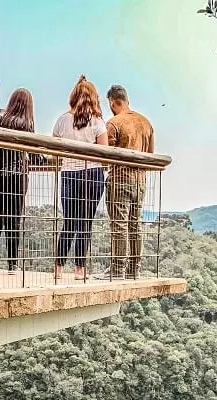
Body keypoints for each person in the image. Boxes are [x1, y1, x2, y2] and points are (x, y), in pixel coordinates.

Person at [52, 75, 107, 281]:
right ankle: (80, 269)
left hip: (68, 174)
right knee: (85, 223)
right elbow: (104, 151)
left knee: (69, 222)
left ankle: (58, 267)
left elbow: (54, 148)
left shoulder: (62, 120)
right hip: (92, 174)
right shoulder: (97, 122)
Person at [104, 85, 154, 280]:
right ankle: (134, 269)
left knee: (119, 225)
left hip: (119, 179)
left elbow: (104, 157)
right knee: (135, 225)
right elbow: (150, 155)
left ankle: (117, 270)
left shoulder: (114, 123)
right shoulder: (146, 123)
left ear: (112, 101)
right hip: (140, 181)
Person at [0, 88, 35, 274]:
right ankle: (12, 264)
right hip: (16, 177)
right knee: (13, 220)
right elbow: (33, 151)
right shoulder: (26, 124)